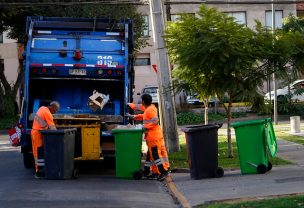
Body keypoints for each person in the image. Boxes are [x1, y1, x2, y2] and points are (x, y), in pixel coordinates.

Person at [127, 94, 170, 181]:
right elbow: (145, 116)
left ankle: (163, 172)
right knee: (149, 155)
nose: (141, 102)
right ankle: (148, 171)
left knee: (155, 156)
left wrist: (146, 127)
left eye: (141, 100)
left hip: (153, 136)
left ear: (143, 101)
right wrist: (135, 117)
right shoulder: (150, 108)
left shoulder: (150, 110)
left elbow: (155, 120)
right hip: (154, 135)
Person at [31, 101, 60, 178]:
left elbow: (39, 121)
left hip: (34, 132)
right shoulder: (48, 114)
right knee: (38, 153)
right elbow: (53, 128)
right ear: (52, 107)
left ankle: (38, 169)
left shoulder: (42, 108)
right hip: (38, 134)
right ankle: (39, 172)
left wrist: (45, 127)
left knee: (35, 152)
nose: (55, 112)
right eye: (56, 110)